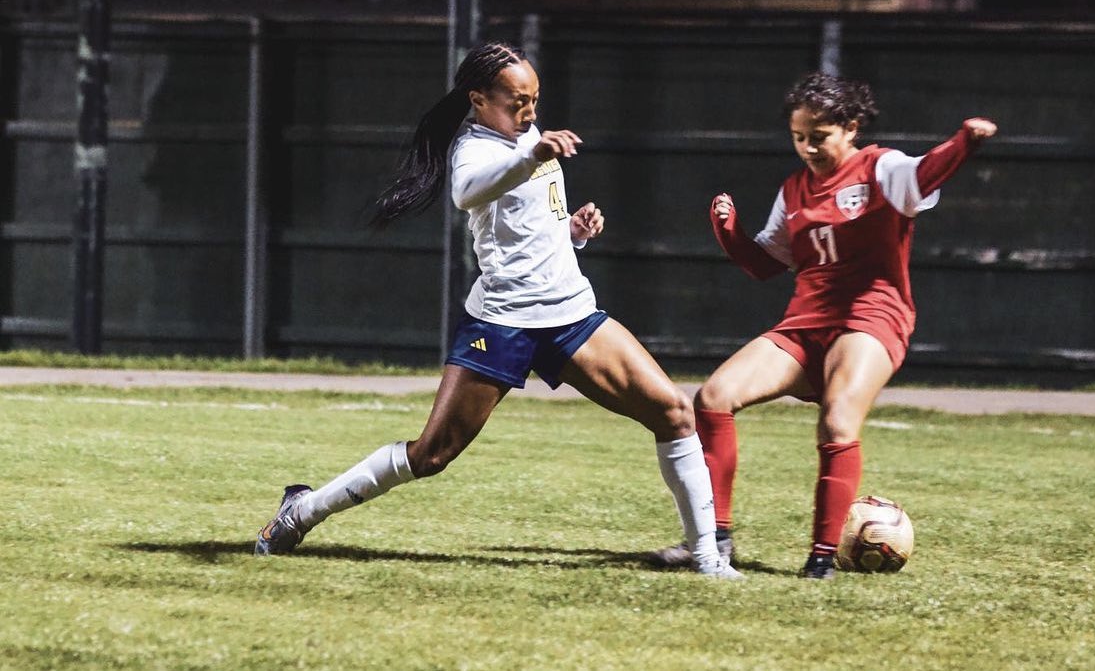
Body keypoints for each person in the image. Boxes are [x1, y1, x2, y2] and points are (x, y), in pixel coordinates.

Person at [254, 40, 741, 579]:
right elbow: (466, 192)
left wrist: (572, 234)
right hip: (503, 322)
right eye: (518, 102)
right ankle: (302, 508)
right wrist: (533, 155)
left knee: (673, 411)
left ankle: (708, 562)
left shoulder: (529, 136)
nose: (530, 112)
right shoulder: (475, 148)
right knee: (432, 454)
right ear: (479, 99)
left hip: (570, 314)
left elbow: (529, 224)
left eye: (534, 100)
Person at [648, 71, 997, 579]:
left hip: (872, 317)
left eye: (819, 136)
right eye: (798, 137)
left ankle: (821, 558)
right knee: (714, 397)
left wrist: (965, 142)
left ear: (850, 127)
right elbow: (765, 263)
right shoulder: (794, 190)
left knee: (837, 421)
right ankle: (714, 539)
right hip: (805, 324)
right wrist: (729, 233)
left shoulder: (883, 168)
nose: (808, 147)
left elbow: (928, 174)